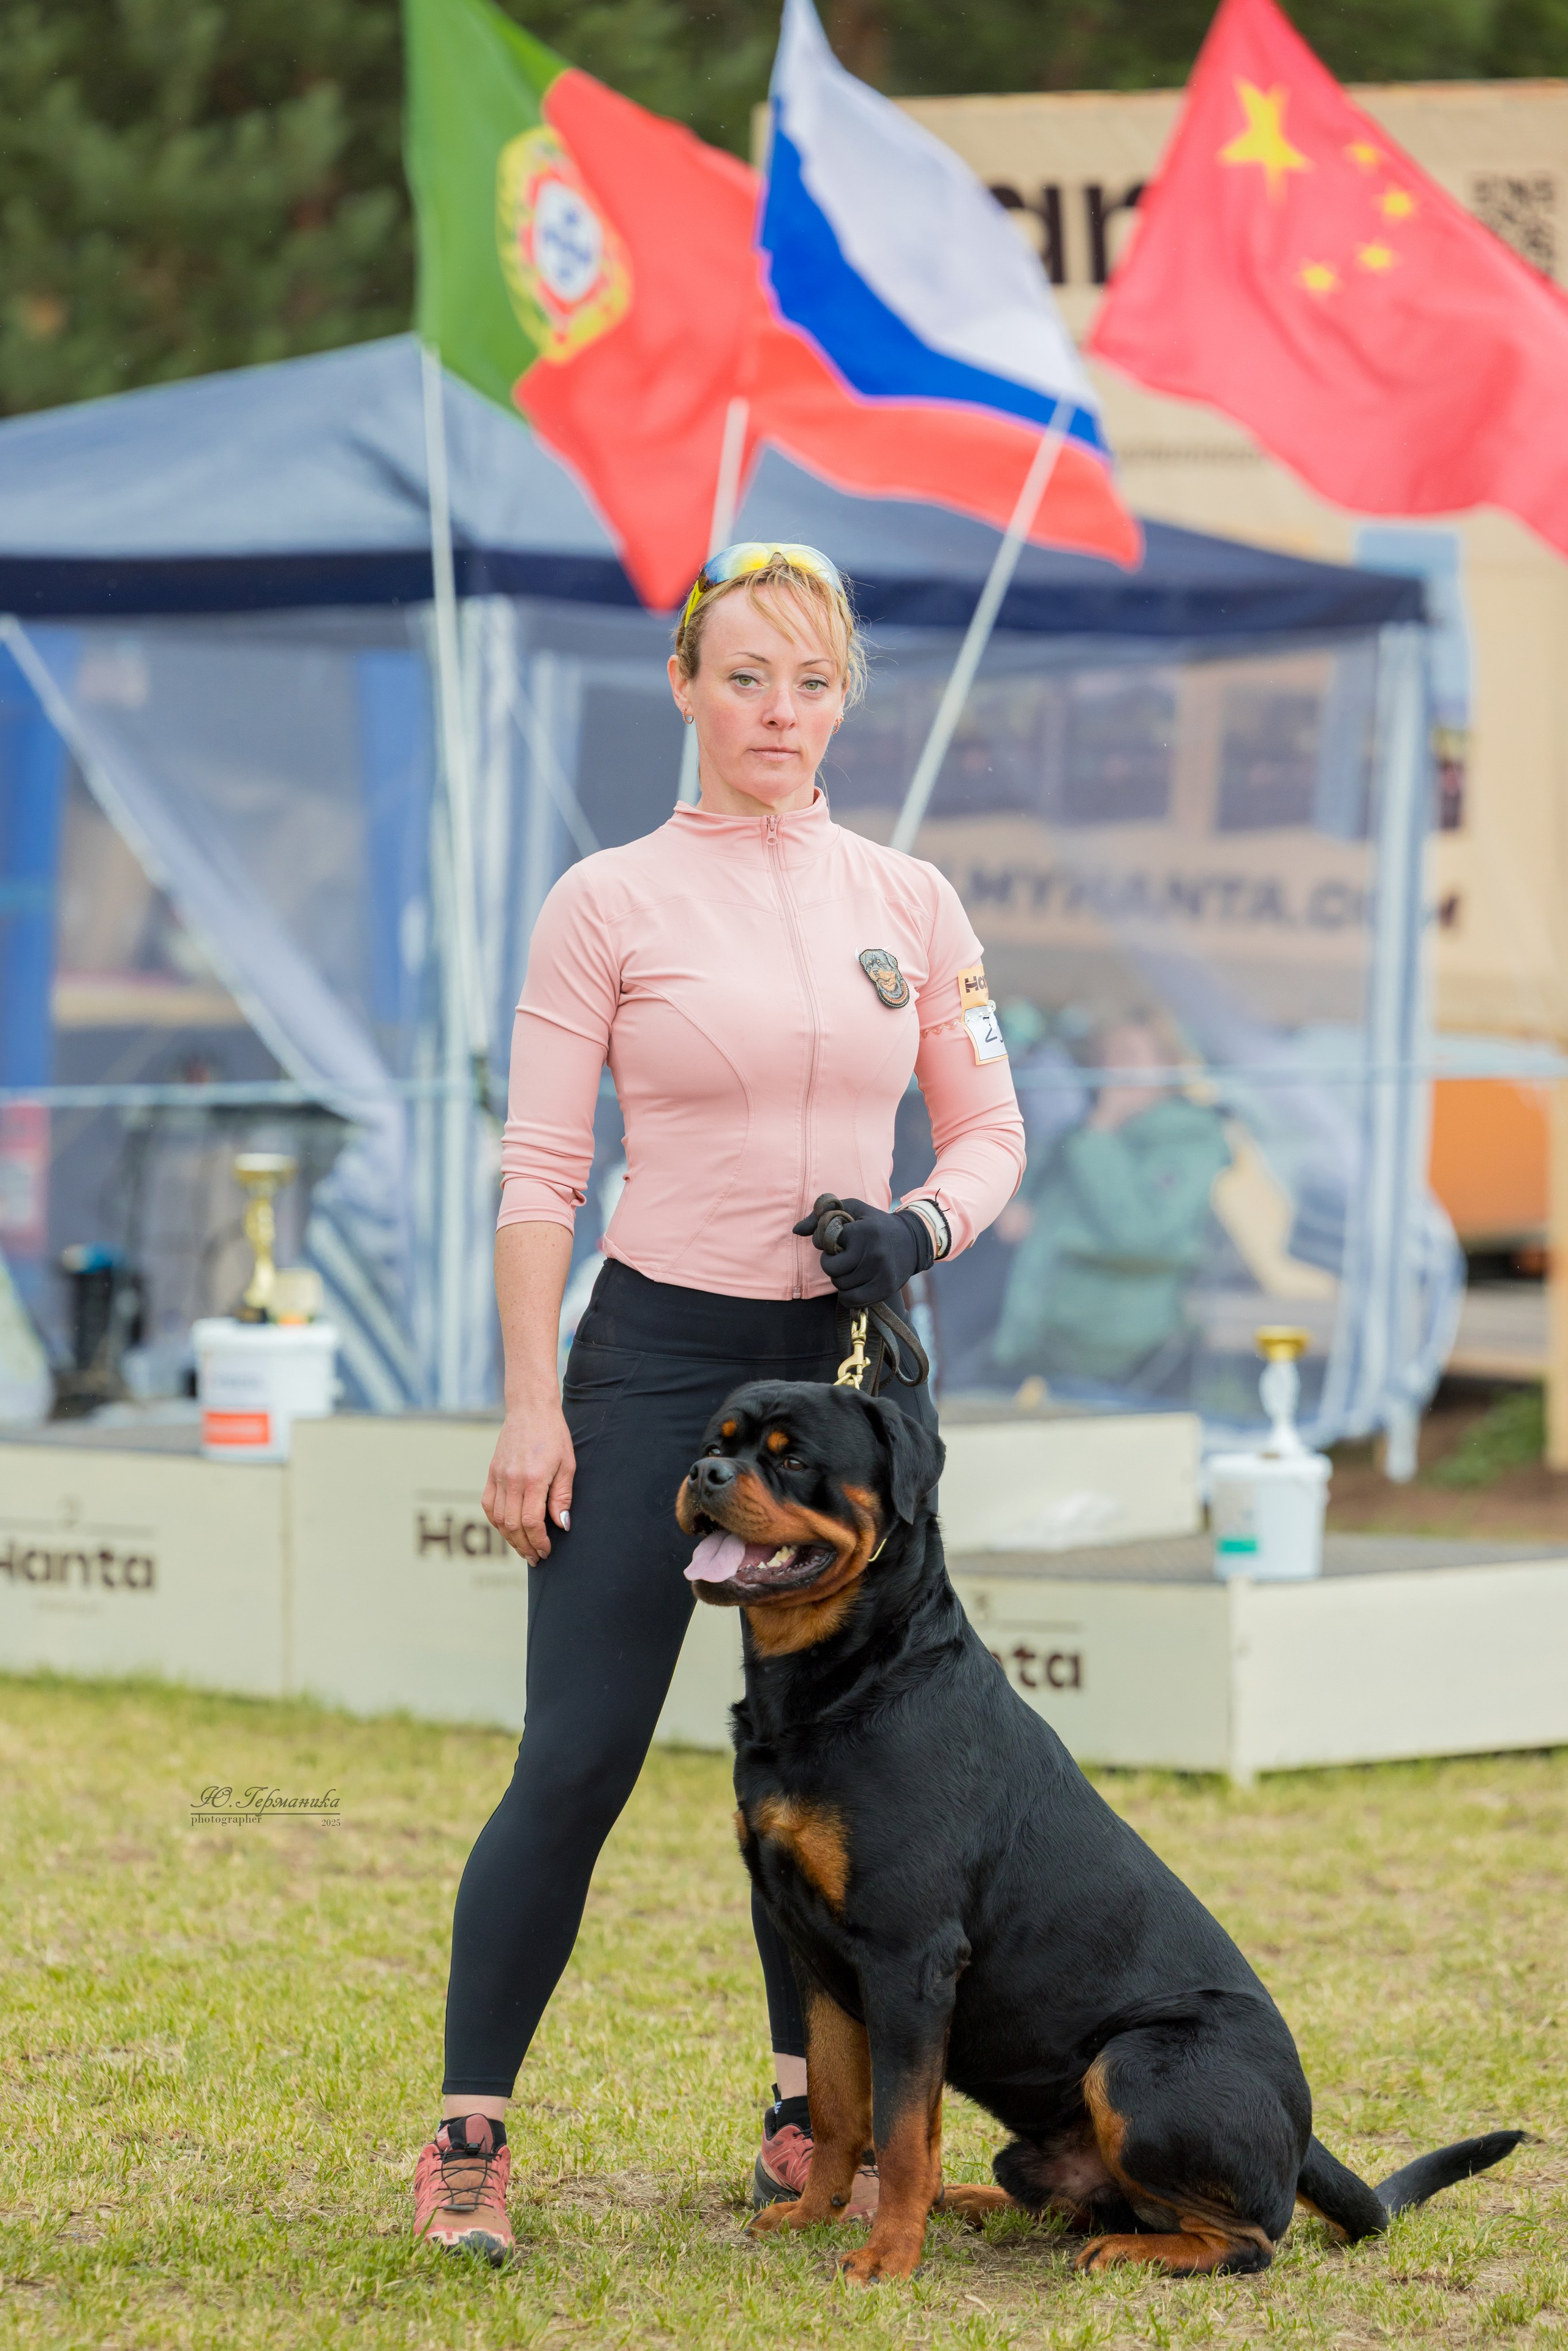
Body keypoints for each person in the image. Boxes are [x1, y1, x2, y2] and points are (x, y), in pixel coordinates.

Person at [412, 545, 1026, 2262]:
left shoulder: (913, 898)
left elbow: (991, 1133)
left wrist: (916, 1226)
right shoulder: (605, 897)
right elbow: (542, 1169)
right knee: (580, 1755)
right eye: (746, 675)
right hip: (660, 1362)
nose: (781, 711)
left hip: (844, 1377)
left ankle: (801, 2107)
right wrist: (534, 1404)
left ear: (846, 698)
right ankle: (471, 2130)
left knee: (846, 1766)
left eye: (812, 680)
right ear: (684, 683)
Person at [991, 1014, 1230, 1394]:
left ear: (1168, 1066)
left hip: (1118, 1347)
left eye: (1131, 1056)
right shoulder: (1082, 1132)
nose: (1114, 1068)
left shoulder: (1189, 1139)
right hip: (1048, 1339)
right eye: (1106, 1056)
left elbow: (1140, 1230)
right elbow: (1031, 1195)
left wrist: (1101, 1131)